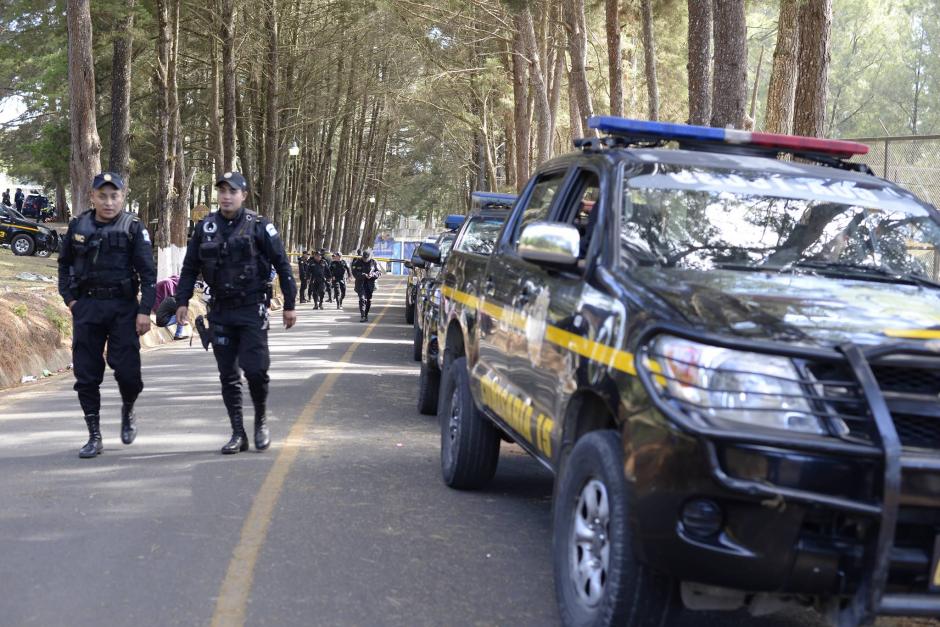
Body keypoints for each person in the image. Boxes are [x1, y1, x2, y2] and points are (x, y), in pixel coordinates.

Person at [175, 171, 297, 455]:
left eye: (233, 191)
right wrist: (181, 301)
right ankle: (237, 432)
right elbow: (189, 268)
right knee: (228, 376)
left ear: (243, 195)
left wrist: (289, 305)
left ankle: (261, 421)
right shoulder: (205, 227)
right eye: (222, 191)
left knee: (256, 371)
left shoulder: (260, 226)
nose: (227, 196)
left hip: (252, 310)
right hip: (219, 311)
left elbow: (282, 264)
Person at [57, 172, 156, 458]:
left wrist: (144, 311)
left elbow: (148, 275)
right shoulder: (78, 225)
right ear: (93, 196)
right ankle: (94, 434)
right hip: (87, 308)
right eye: (103, 196)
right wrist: (71, 299)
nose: (109, 201)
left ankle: (128, 408)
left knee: (128, 374)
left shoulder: (133, 227)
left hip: (123, 309)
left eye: (114, 196)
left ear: (123, 197)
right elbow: (63, 265)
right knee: (86, 375)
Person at [351, 248, 381, 322]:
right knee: (362, 299)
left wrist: (373, 274)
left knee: (368, 300)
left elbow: (379, 272)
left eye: (367, 258)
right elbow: (354, 273)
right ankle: (363, 315)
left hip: (370, 284)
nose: (365, 260)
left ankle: (366, 314)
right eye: (364, 258)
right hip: (360, 283)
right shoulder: (357, 262)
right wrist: (363, 275)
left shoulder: (374, 262)